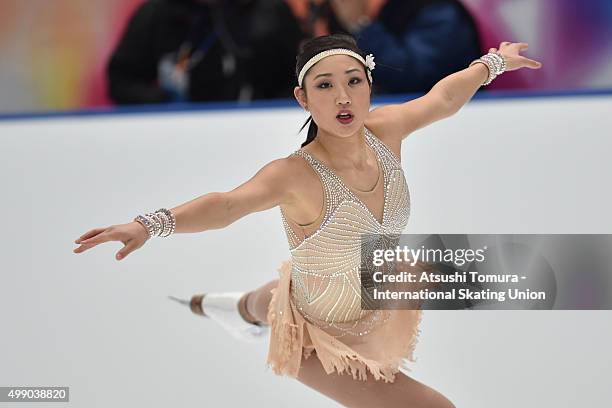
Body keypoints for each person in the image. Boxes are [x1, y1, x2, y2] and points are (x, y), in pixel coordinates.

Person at [75, 33, 541, 407]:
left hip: (363, 290)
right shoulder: (293, 175)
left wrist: (492, 63)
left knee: (295, 288)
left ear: (369, 86)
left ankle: (237, 308)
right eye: (324, 85)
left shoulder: (387, 130)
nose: (343, 97)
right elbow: (227, 204)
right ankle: (244, 310)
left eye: (354, 81)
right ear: (302, 98)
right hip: (318, 340)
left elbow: (441, 99)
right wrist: (149, 224)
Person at [107, 0, 303, 104]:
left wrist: (265, 112)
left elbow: (298, 78)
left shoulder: (270, 11)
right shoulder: (157, 13)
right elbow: (121, 81)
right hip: (176, 131)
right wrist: (162, 102)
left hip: (255, 129)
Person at [285, 0, 482, 94]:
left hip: (446, 124)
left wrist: (360, 23)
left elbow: (414, 78)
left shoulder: (436, 10)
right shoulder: (323, 11)